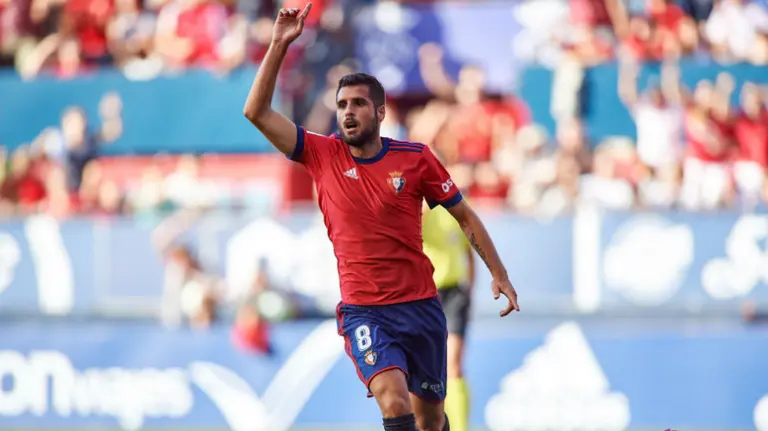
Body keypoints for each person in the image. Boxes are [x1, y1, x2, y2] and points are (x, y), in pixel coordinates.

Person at [243, 4, 520, 431]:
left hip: (422, 308)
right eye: (342, 105)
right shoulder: (322, 154)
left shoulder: (416, 160)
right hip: (366, 312)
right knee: (393, 401)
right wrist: (280, 43)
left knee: (430, 420)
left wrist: (498, 273)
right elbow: (256, 113)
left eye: (358, 103)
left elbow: (464, 216)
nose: (348, 112)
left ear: (380, 112)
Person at [422, 200, 474, 431]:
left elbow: (469, 252)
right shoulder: (421, 213)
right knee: (427, 367)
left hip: (455, 294)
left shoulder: (457, 210)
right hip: (427, 295)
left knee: (454, 363)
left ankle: (460, 427)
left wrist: (469, 289)